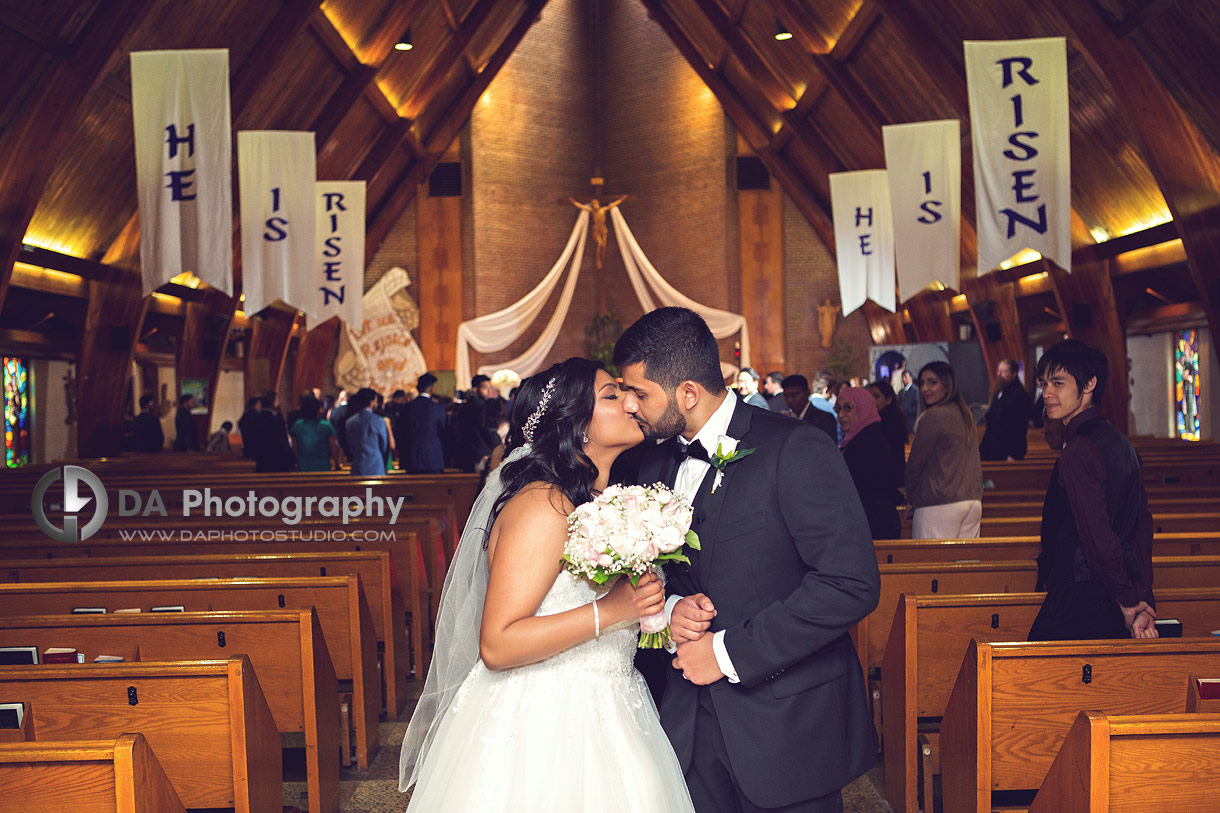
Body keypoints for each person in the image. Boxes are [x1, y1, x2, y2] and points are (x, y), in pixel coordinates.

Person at [614, 307, 879, 813]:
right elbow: (657, 570)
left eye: (639, 393)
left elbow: (850, 583)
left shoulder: (796, 448)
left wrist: (728, 652)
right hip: (690, 724)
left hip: (787, 726)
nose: (629, 406)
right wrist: (670, 607)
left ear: (687, 393)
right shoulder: (651, 462)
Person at [400, 358, 694, 812]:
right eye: (612, 396)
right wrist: (612, 611)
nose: (631, 403)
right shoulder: (544, 504)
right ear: (576, 427)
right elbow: (498, 645)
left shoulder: (597, 500)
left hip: (612, 706)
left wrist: (661, 611)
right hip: (542, 721)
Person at [1027, 340, 1157, 642]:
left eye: (1058, 383)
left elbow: (1097, 536)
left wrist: (1129, 600)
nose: (1047, 393)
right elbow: (1141, 528)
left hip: (1081, 595)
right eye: (1045, 383)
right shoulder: (1121, 442)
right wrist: (1142, 596)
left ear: (1089, 384)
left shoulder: (1078, 452)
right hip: (1113, 590)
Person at [905, 361, 983, 538]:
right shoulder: (964, 414)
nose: (925, 388)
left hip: (939, 502)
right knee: (967, 563)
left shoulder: (933, 416)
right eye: (922, 383)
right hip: (971, 502)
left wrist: (911, 499)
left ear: (948, 385)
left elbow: (915, 465)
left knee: (930, 563)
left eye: (932, 382)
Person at [837, 387, 902, 540]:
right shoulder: (859, 437)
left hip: (874, 522)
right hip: (869, 519)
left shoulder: (869, 440)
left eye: (848, 408)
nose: (841, 415)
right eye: (838, 408)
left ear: (863, 407)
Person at [979, 359, 1032, 461]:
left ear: (1014, 373)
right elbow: (991, 426)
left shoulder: (1019, 394)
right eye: (999, 371)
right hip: (992, 450)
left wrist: (1013, 454)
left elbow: (1019, 427)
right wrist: (982, 449)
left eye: (1004, 372)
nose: (999, 374)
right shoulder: (998, 393)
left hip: (1007, 453)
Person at [867, 380, 908, 486]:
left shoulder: (888, 423)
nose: (871, 401)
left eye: (876, 396)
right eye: (868, 397)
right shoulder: (875, 421)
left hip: (887, 481)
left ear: (888, 400)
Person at [455, 375, 500, 472]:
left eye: (490, 388)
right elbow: (484, 428)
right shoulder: (477, 404)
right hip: (480, 452)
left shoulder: (467, 404)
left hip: (469, 452)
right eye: (485, 387)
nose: (488, 391)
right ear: (475, 389)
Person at [406, 373, 447, 474]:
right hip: (433, 458)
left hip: (412, 458)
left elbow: (401, 433)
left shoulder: (407, 408)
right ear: (431, 388)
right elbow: (444, 433)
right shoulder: (438, 408)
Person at [345, 388, 389, 476]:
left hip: (358, 463)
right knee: (372, 490)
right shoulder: (379, 421)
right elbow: (384, 445)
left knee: (361, 490)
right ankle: (369, 491)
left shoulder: (350, 422)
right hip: (375, 464)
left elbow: (350, 444)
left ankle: (368, 491)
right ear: (371, 401)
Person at [781, 374, 837, 443]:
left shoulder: (824, 418)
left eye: (795, 395)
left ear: (807, 392)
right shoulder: (786, 418)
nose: (790, 400)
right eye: (786, 396)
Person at [247, 391, 295, 472]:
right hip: (277, 461)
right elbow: (283, 442)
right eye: (277, 400)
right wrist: (291, 460)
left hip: (261, 461)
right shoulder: (276, 420)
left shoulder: (255, 419)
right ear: (273, 402)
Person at [289, 397, 340, 472]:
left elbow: (295, 449)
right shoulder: (326, 426)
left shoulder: (297, 425)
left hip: (304, 466)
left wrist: (298, 461)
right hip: (323, 466)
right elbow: (334, 447)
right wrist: (337, 464)